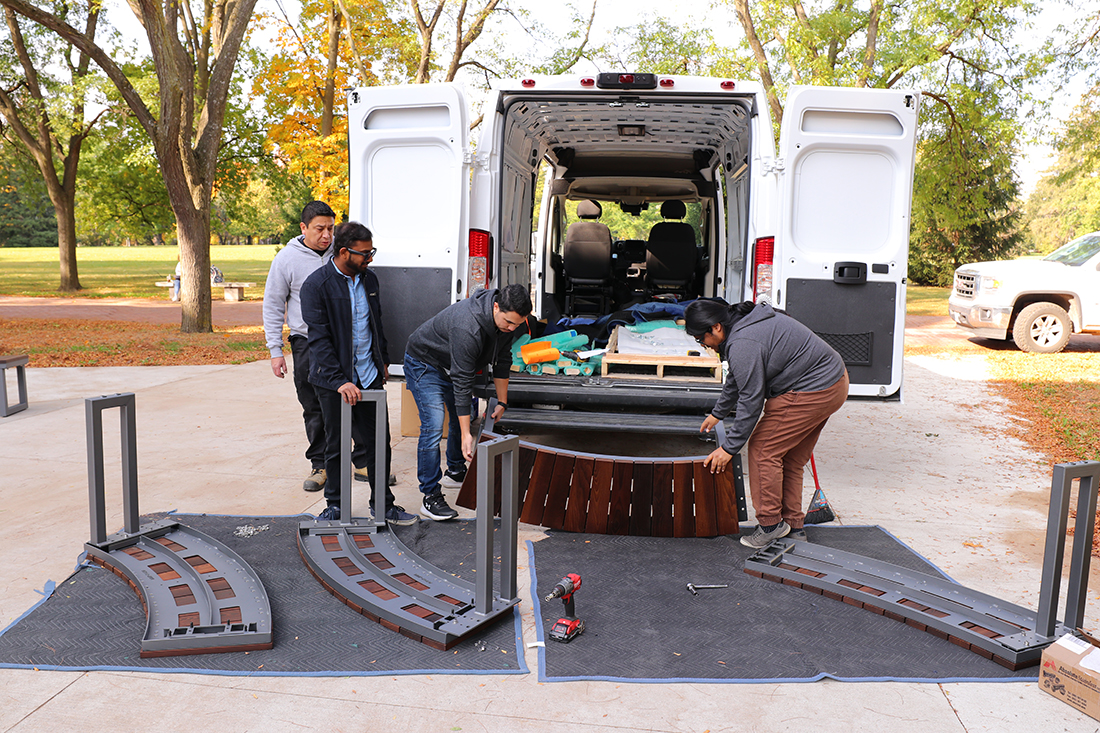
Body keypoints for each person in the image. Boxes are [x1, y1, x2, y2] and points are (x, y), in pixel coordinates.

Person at [685, 298, 849, 548]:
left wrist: (729, 448)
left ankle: (771, 526)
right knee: (790, 458)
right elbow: (739, 376)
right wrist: (719, 412)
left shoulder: (743, 341)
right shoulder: (744, 326)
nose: (703, 345)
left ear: (716, 327)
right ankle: (794, 527)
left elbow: (751, 400)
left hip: (811, 388)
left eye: (700, 339)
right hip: (833, 382)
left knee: (763, 450)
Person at [299, 222, 417, 524]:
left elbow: (376, 324)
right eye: (365, 253)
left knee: (379, 443)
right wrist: (340, 381)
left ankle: (383, 506)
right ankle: (336, 506)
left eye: (371, 251)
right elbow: (319, 340)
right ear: (343, 252)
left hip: (369, 375)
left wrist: (382, 360)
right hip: (333, 381)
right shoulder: (316, 285)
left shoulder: (369, 279)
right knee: (336, 445)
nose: (370, 258)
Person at [263, 201, 377, 493]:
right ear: (303, 228)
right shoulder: (287, 259)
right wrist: (275, 350)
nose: (326, 235)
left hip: (344, 340)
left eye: (330, 228)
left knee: (355, 396)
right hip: (306, 341)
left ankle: (362, 461)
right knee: (314, 406)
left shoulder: (341, 254)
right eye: (319, 229)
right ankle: (321, 464)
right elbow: (273, 305)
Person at [404, 284, 533, 521]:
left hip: (451, 365)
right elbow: (462, 382)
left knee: (459, 414)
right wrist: (467, 434)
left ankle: (455, 470)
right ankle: (430, 496)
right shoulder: (467, 326)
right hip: (425, 363)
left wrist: (502, 401)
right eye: (508, 322)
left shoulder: (511, 321)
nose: (512, 328)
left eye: (517, 324)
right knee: (434, 425)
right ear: (496, 307)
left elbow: (503, 359)